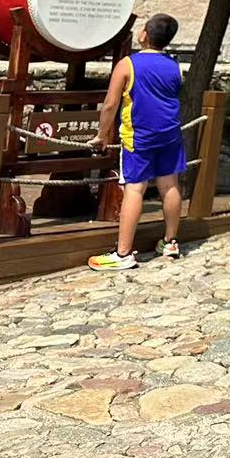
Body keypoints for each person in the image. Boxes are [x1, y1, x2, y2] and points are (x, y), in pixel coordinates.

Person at [87, 13, 185, 271]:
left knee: (134, 188)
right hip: (170, 134)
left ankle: (123, 253)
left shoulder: (128, 64)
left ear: (144, 35)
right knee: (169, 185)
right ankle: (170, 242)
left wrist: (101, 135)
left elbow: (110, 104)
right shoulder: (174, 66)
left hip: (139, 135)